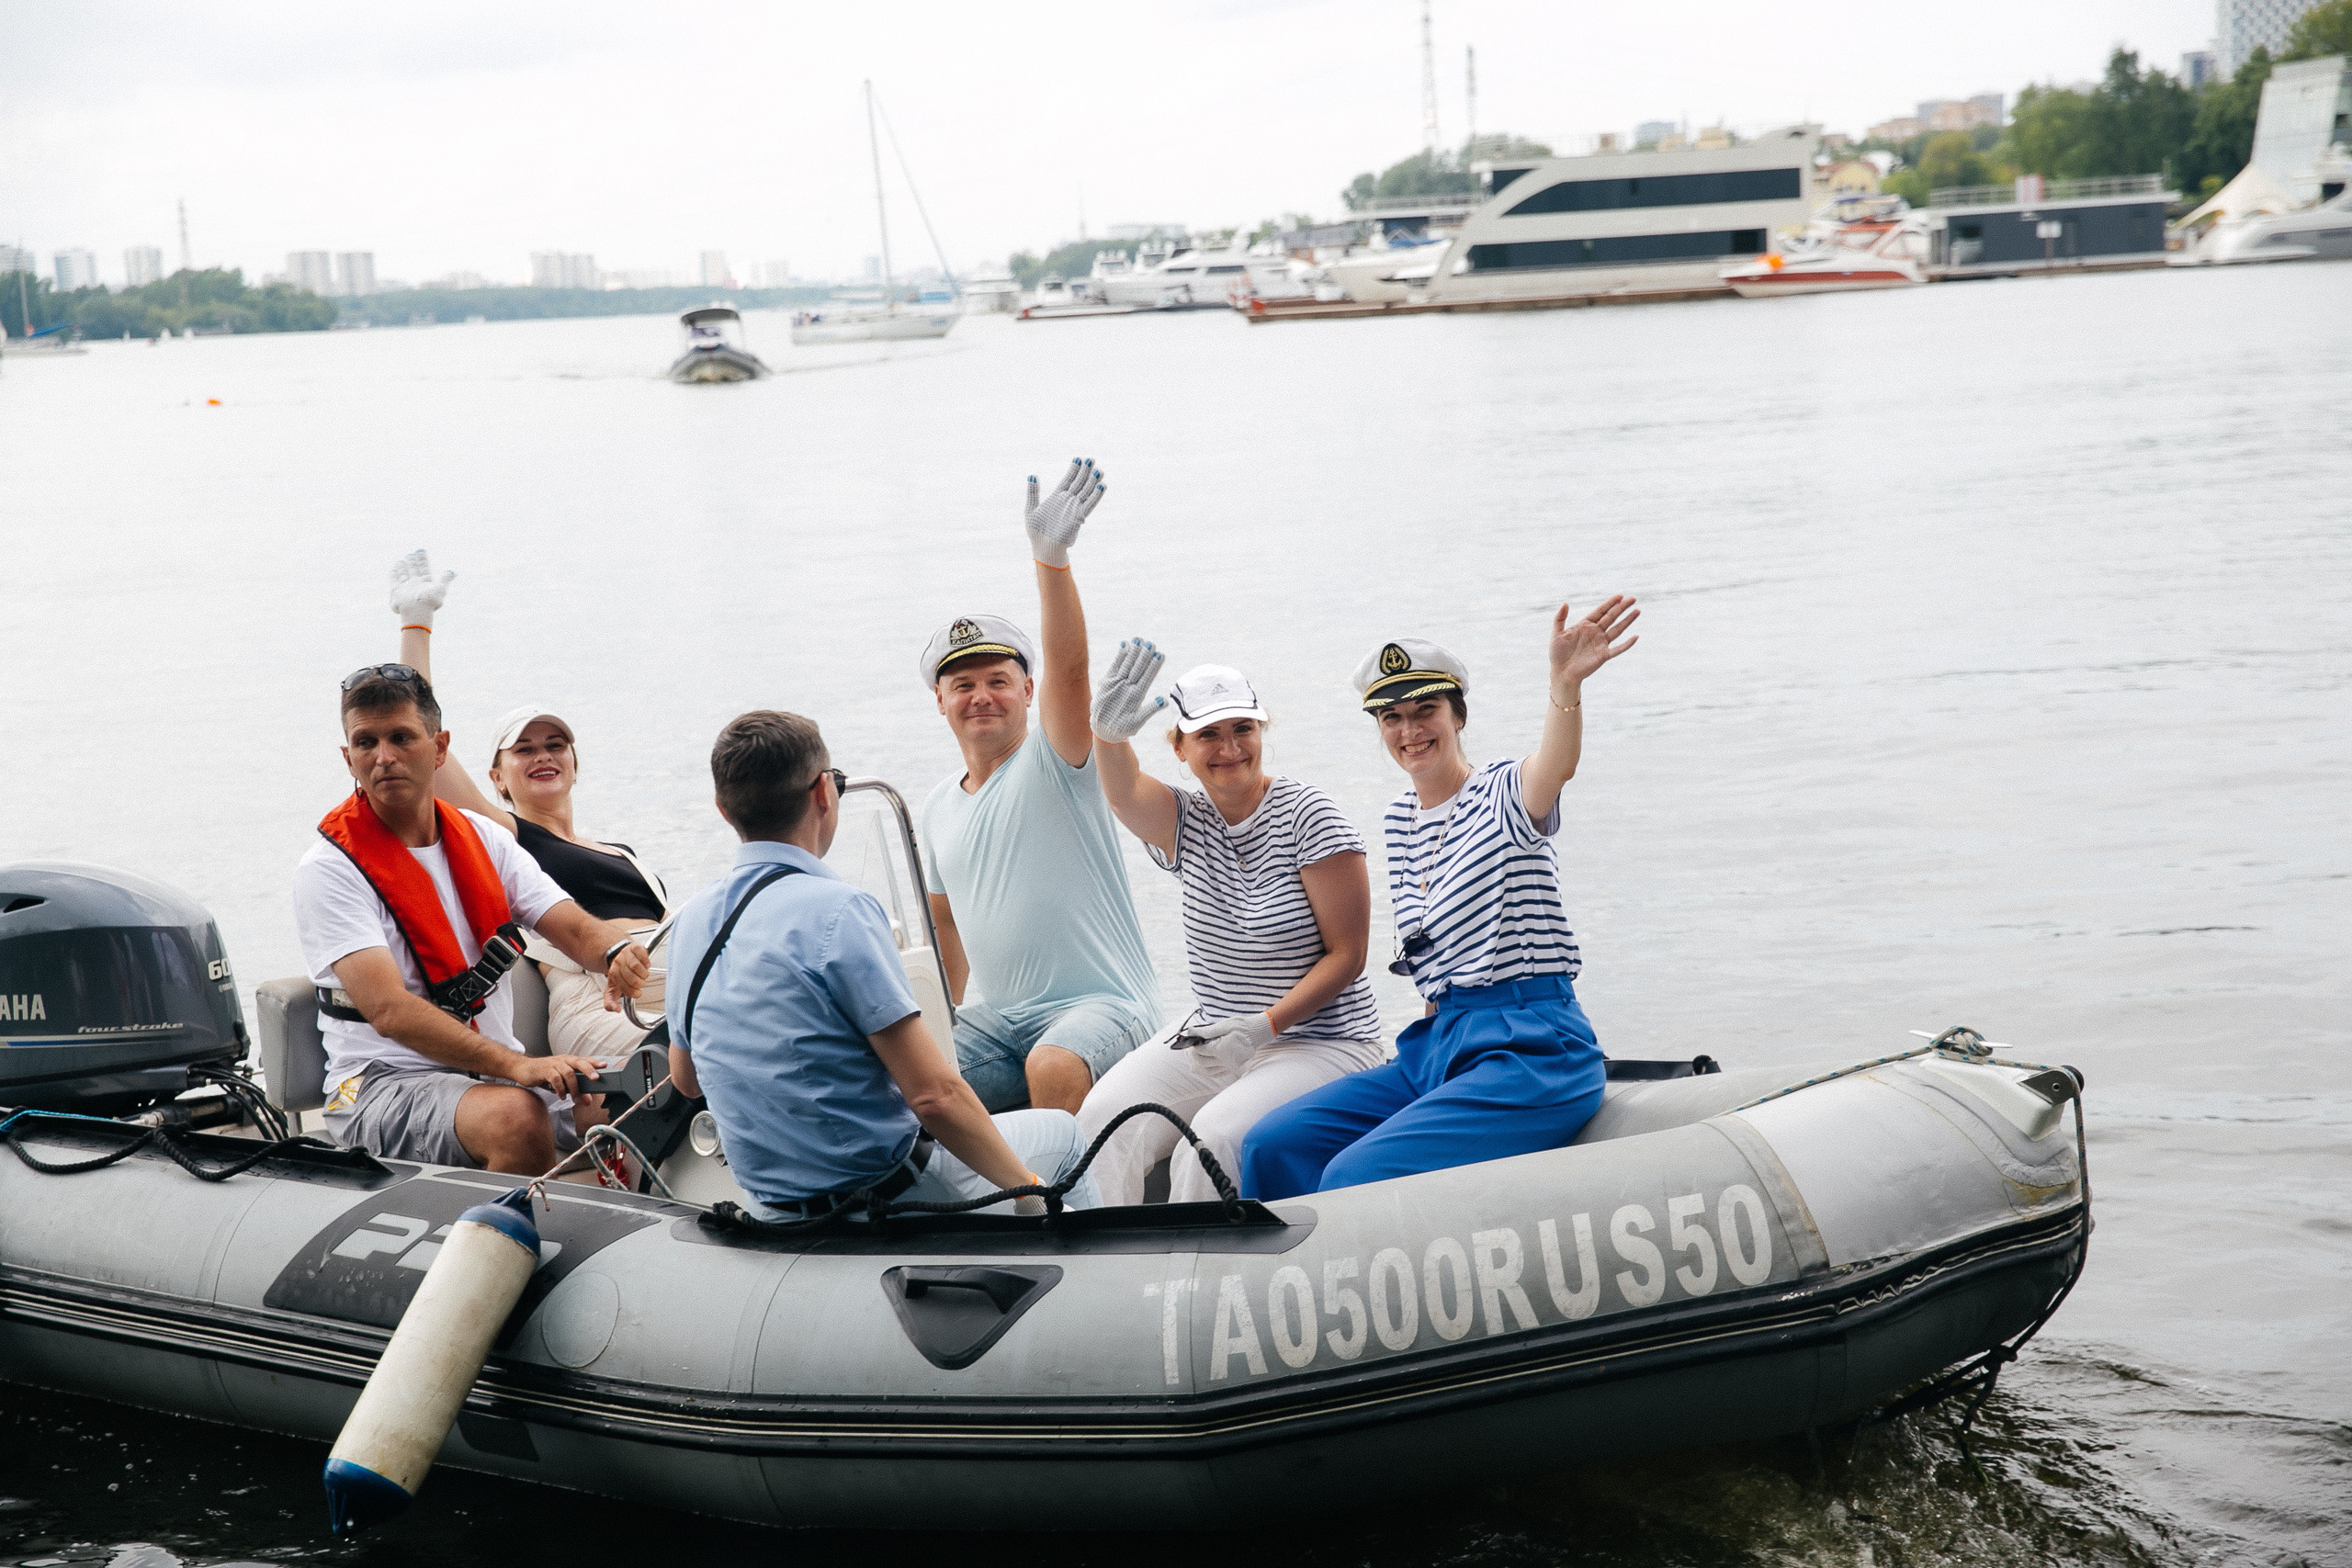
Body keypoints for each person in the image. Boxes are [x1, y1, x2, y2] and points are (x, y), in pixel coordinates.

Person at [1239, 598, 1642, 1198]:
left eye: (1426, 710)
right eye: (1391, 717)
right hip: (1440, 1043)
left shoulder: (1503, 791)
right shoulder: (1400, 820)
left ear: (1457, 715)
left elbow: (1554, 766)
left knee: (1354, 1175)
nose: (1410, 731)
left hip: (1532, 1048)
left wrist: (1564, 685)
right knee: (1270, 1142)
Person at [665, 710, 1100, 1218]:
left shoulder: (691, 922)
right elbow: (935, 1097)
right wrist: (1027, 1190)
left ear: (723, 809)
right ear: (824, 793)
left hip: (774, 1209)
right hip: (879, 1194)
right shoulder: (841, 912)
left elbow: (687, 1080)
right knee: (1066, 1136)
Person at [296, 664, 651, 1175]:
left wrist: (616, 952)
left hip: (489, 1075)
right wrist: (519, 1066)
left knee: (650, 1089)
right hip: (380, 1083)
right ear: (348, 757)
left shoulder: (486, 841)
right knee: (515, 1117)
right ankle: (497, 1244)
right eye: (366, 742)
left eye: (401, 737)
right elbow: (389, 1011)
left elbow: (570, 924)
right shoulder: (328, 871)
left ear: (439, 749)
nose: (384, 757)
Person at [1074, 647, 1382, 1204]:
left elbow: (1348, 955)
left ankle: (1191, 1281)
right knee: (1101, 1119)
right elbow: (1121, 792)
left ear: (1263, 730)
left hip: (1321, 1041)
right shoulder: (1185, 819)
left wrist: (1263, 1027)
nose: (1230, 748)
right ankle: (1107, 1269)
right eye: (1209, 735)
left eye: (1243, 728)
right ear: (1180, 747)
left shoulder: (1310, 816)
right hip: (1214, 1033)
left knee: (1208, 1142)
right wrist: (1108, 737)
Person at [918, 459, 1162, 1114]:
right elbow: (945, 927)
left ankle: (1061, 1212)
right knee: (893, 1063)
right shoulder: (937, 805)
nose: (982, 696)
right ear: (938, 701)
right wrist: (935, 1030)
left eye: (999, 679)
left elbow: (1074, 672)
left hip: (1105, 1007)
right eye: (962, 685)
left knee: (1052, 1064)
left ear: (1028, 690)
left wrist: (1050, 562)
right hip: (1000, 1022)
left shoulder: (1058, 757)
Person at [383, 550, 672, 1058]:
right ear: (497, 779)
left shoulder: (623, 853)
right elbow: (421, 743)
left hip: (675, 981)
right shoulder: (506, 837)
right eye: (524, 749)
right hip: (600, 999)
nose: (542, 756)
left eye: (555, 745)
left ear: (575, 764)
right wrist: (416, 625)